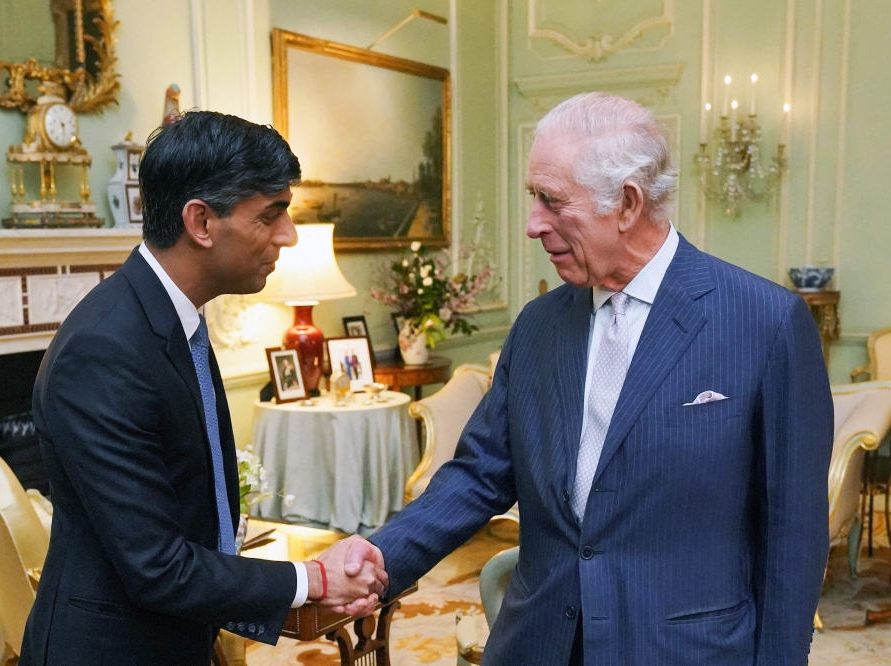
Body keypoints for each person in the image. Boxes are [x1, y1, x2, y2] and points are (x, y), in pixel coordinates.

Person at [353, 93, 833, 665]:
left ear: (627, 203)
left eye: (552, 202)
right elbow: (479, 474)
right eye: (534, 198)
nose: (533, 225)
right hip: (538, 646)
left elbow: (793, 535)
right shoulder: (538, 324)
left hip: (684, 651)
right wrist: (373, 560)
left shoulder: (766, 321)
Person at [21, 111, 385, 666]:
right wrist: (310, 579)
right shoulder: (104, 351)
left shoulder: (172, 318)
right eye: (272, 215)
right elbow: (158, 567)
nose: (287, 236)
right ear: (201, 222)